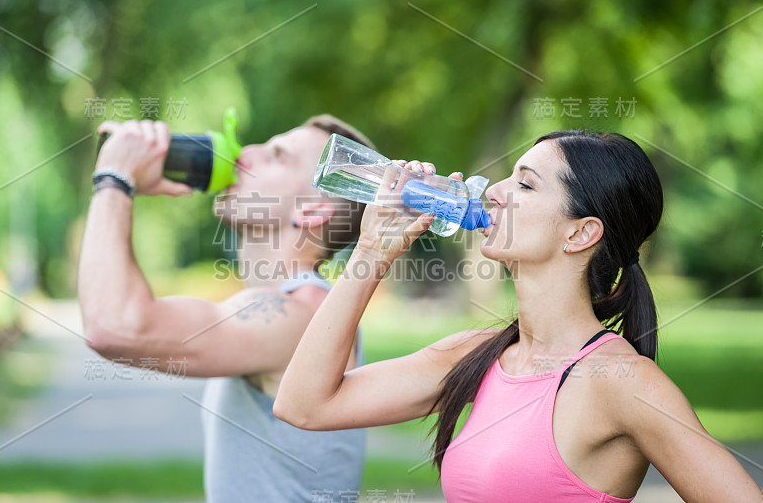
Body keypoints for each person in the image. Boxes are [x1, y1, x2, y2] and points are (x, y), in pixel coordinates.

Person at [274, 131, 763, 502]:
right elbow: (304, 405)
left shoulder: (620, 381)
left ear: (581, 233)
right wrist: (370, 253)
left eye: (525, 185)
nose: (493, 192)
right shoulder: (474, 355)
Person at [77, 115, 376, 502]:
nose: (246, 153)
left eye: (276, 156)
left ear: (313, 210)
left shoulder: (300, 318)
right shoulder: (294, 307)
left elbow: (114, 327)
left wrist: (115, 179)